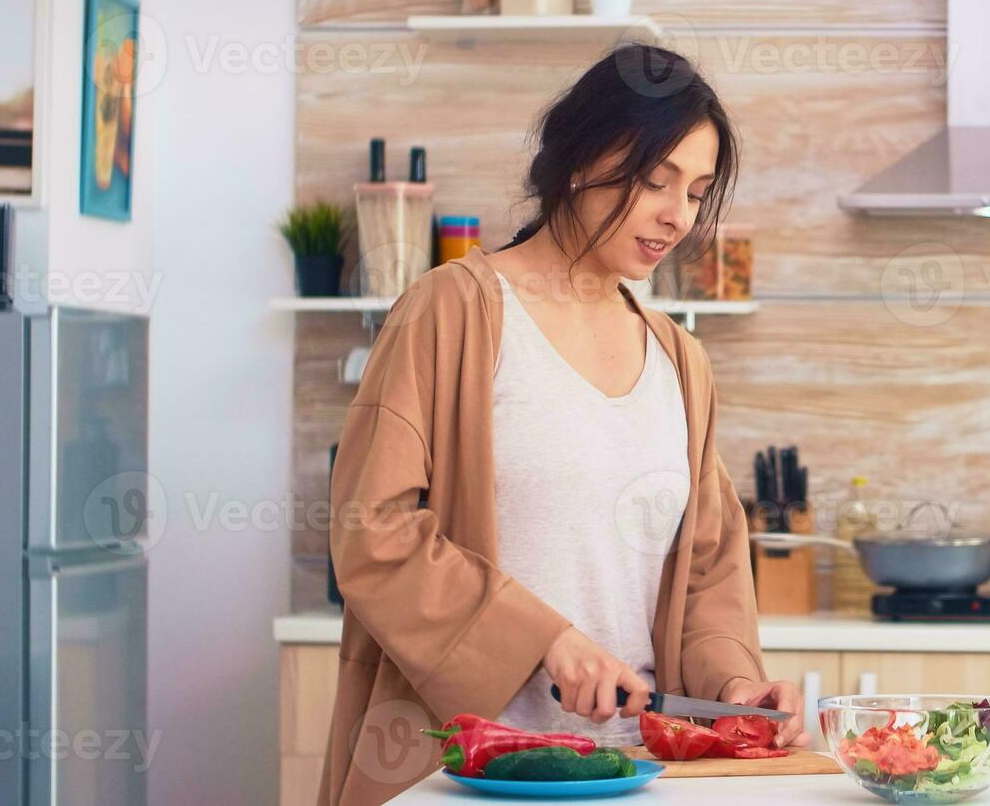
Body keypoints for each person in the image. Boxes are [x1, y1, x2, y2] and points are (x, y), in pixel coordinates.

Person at [319, 46, 803, 806]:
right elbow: (369, 528)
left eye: (698, 192)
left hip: (634, 776)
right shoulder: (455, 312)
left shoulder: (681, 359)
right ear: (582, 159)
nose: (678, 216)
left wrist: (736, 685)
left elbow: (706, 568)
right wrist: (544, 639)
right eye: (657, 181)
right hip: (470, 771)